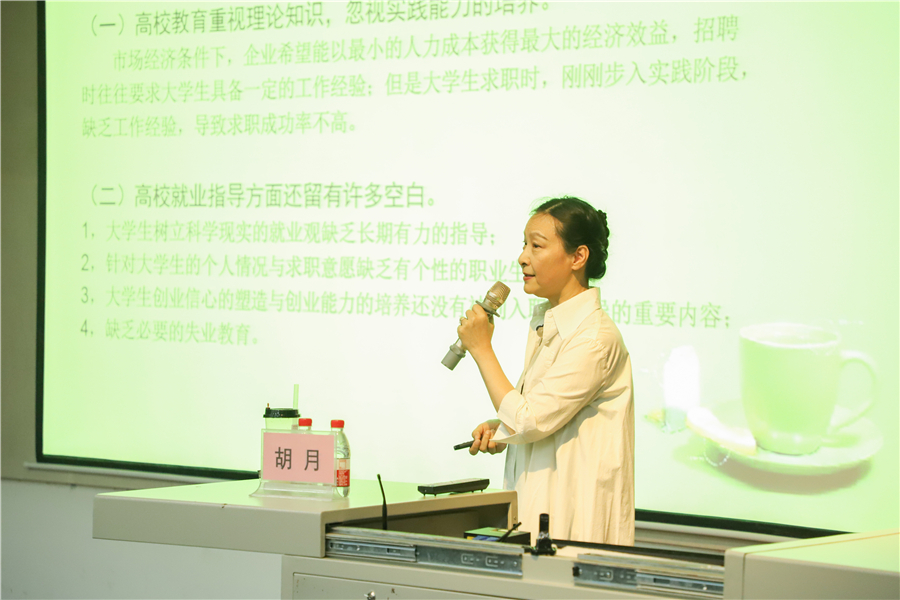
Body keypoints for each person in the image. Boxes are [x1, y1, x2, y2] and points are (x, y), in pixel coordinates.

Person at [456, 196, 635, 545]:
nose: (523, 257)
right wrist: (504, 426)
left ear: (578, 257)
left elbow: (530, 420)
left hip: (574, 529)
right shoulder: (550, 325)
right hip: (538, 517)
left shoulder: (593, 339)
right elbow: (541, 414)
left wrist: (481, 348)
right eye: (524, 244)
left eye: (536, 246)